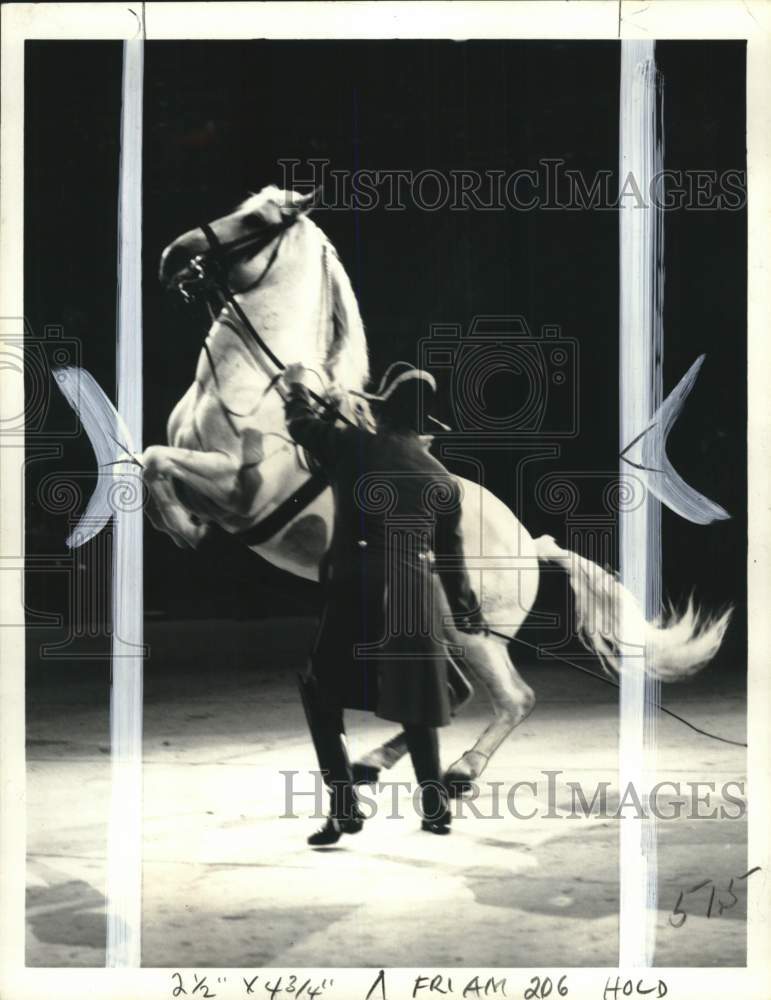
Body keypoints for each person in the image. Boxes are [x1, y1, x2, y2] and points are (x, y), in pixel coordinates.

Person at [281, 361, 487, 845]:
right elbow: (452, 561)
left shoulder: (355, 444)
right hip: (415, 585)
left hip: (361, 582)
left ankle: (344, 809)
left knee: (321, 692)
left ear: (384, 413)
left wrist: (296, 389)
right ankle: (435, 810)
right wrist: (466, 612)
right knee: (416, 700)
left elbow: (299, 427)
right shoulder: (442, 479)